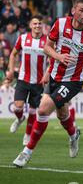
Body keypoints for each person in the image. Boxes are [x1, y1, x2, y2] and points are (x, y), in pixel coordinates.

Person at [12, 0, 83, 167]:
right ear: (73, 11)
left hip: (73, 81)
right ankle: (74, 134)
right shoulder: (60, 24)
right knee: (62, 115)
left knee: (44, 109)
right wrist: (59, 57)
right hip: (54, 76)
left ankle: (26, 152)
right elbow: (46, 47)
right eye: (82, 10)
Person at [6, 17, 49, 146]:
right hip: (23, 79)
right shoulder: (23, 38)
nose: (37, 26)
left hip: (38, 82)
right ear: (30, 25)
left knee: (32, 110)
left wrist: (46, 75)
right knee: (17, 107)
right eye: (35, 23)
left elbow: (53, 61)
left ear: (42, 26)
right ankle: (19, 119)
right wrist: (11, 71)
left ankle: (28, 134)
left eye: (40, 24)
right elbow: (13, 54)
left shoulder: (48, 41)